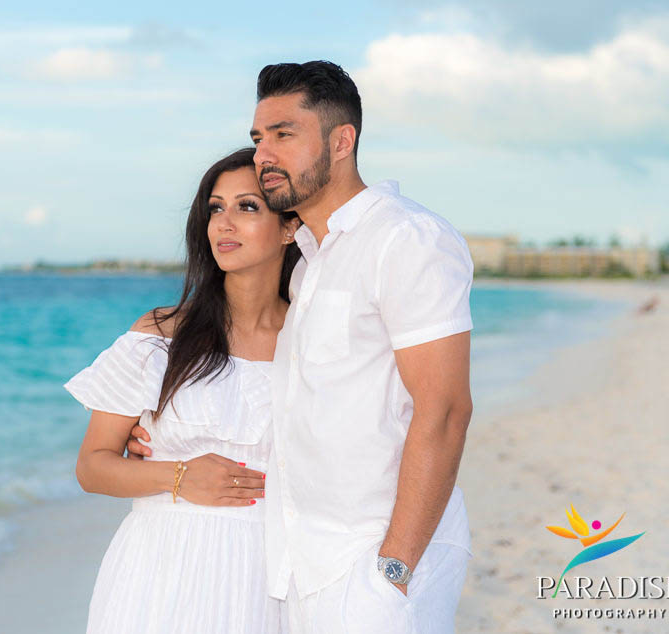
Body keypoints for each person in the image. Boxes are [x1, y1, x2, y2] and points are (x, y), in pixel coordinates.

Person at [130, 61, 475, 633]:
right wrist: (166, 430)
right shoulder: (308, 265)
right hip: (299, 568)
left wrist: (393, 568)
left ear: (342, 142)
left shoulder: (405, 238)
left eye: (283, 134)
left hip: (374, 558)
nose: (264, 154)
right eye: (258, 138)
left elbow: (445, 411)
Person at [65, 147, 301, 633]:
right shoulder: (162, 334)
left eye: (247, 206)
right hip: (158, 575)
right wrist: (178, 477)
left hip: (269, 579)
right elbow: (92, 466)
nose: (224, 224)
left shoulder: (312, 339)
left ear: (289, 227)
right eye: (215, 208)